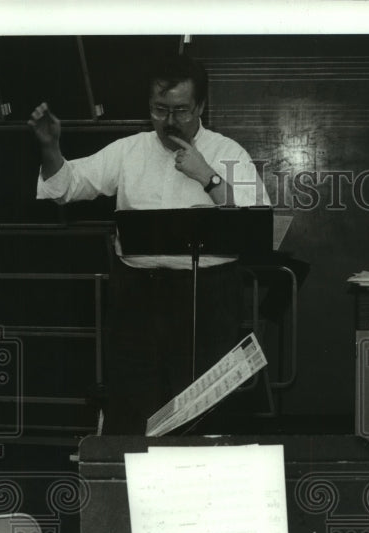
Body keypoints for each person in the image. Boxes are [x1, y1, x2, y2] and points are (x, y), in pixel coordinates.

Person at [29, 54, 269, 433]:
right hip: (137, 296)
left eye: (181, 110)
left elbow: (255, 221)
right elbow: (66, 187)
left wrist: (207, 177)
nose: (170, 122)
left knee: (202, 407)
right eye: (160, 110)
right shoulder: (129, 150)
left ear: (201, 106)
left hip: (206, 296)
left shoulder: (229, 152)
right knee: (133, 402)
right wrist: (50, 148)